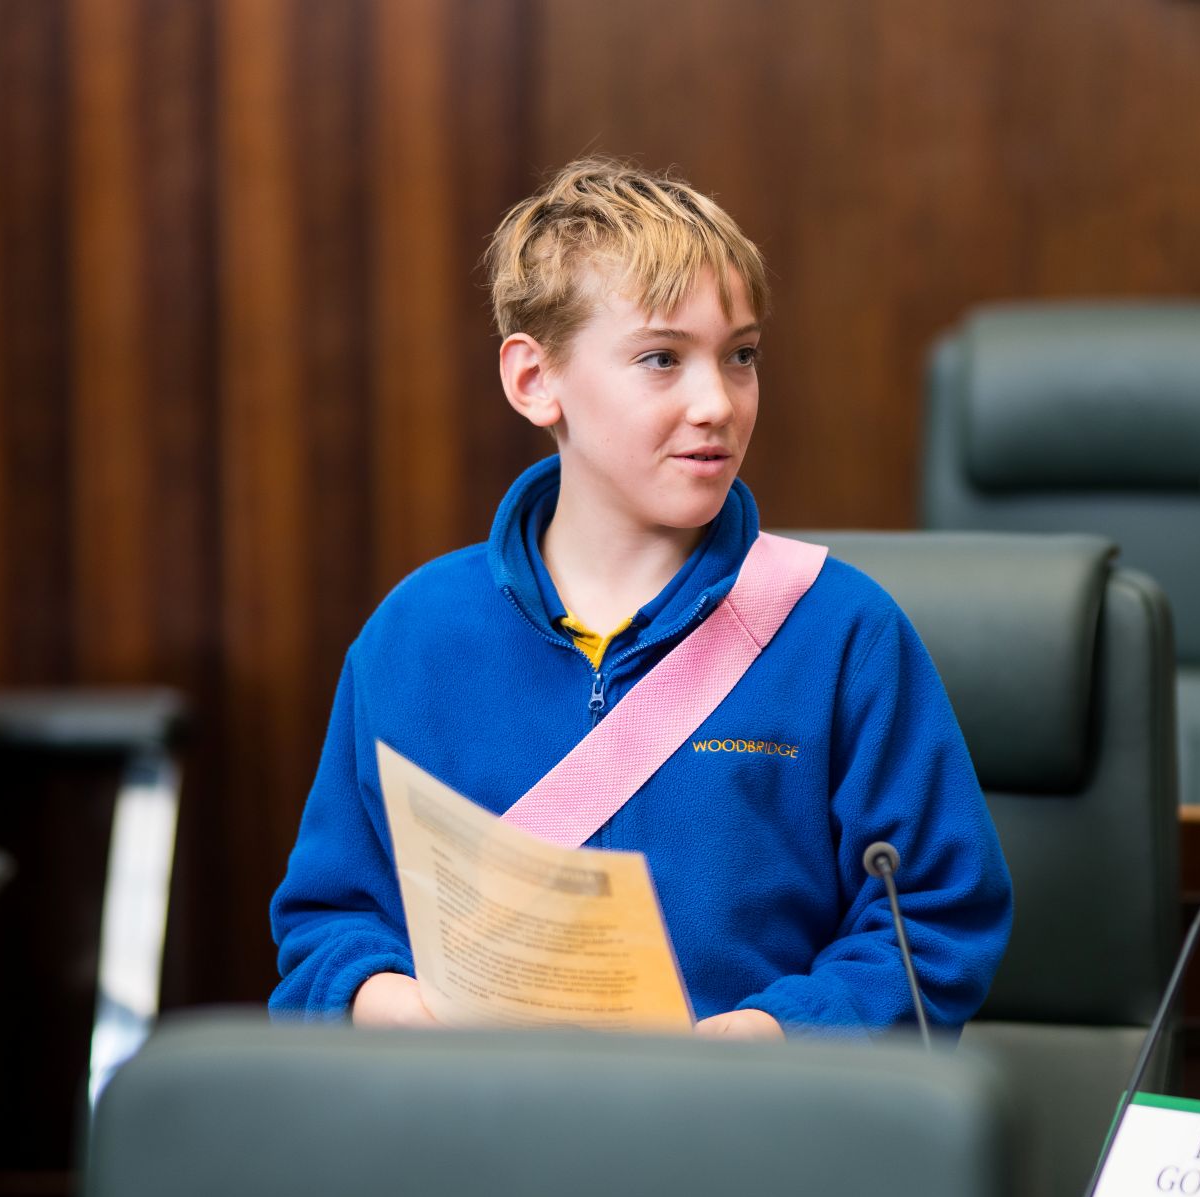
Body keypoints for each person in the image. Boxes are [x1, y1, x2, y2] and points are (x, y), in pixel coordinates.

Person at [269, 158, 1013, 1036]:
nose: (717, 403)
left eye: (741, 356)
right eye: (661, 359)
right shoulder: (414, 633)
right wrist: (393, 1007)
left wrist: (779, 1032)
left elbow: (935, 923)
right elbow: (327, 927)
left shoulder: (845, 631)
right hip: (481, 1136)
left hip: (752, 1139)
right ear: (533, 381)